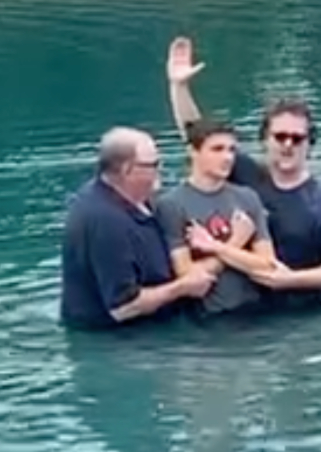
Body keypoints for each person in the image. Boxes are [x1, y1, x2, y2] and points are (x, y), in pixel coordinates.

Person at [165, 36, 321, 311]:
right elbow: (199, 137)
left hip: (302, 313)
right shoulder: (246, 174)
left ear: (309, 144)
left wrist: (291, 279)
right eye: (280, 136)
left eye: (297, 138)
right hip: (248, 308)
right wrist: (179, 87)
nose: (288, 144)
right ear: (266, 139)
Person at [60, 126, 216, 330]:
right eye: (154, 165)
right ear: (127, 170)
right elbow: (123, 307)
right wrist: (182, 288)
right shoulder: (103, 221)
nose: (160, 171)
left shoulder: (136, 202)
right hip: (118, 341)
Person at [154, 118, 280, 318]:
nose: (227, 157)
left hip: (256, 311)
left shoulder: (247, 197)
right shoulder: (171, 205)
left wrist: (215, 247)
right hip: (208, 318)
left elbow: (268, 264)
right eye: (217, 149)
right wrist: (237, 242)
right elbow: (189, 277)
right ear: (193, 152)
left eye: (231, 150)